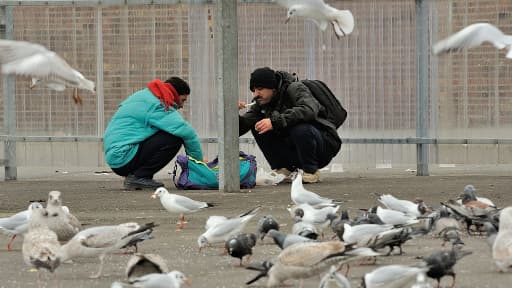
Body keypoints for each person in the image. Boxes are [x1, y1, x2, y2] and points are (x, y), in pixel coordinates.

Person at [239, 67, 342, 184]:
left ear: (273, 88)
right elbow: (240, 128)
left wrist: (274, 122)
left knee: (299, 127)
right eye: (253, 90)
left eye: (260, 89)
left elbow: (309, 110)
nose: (256, 94)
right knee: (259, 126)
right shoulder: (262, 103)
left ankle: (312, 171)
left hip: (323, 146)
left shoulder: (295, 88)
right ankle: (284, 168)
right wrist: (232, 113)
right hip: (297, 150)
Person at [104, 77, 203, 190]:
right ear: (175, 94)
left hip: (117, 156)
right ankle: (139, 177)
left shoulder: (146, 96)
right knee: (174, 138)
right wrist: (198, 165)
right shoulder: (158, 104)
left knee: (167, 130)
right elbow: (187, 132)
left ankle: (140, 177)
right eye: (183, 100)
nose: (181, 106)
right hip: (123, 158)